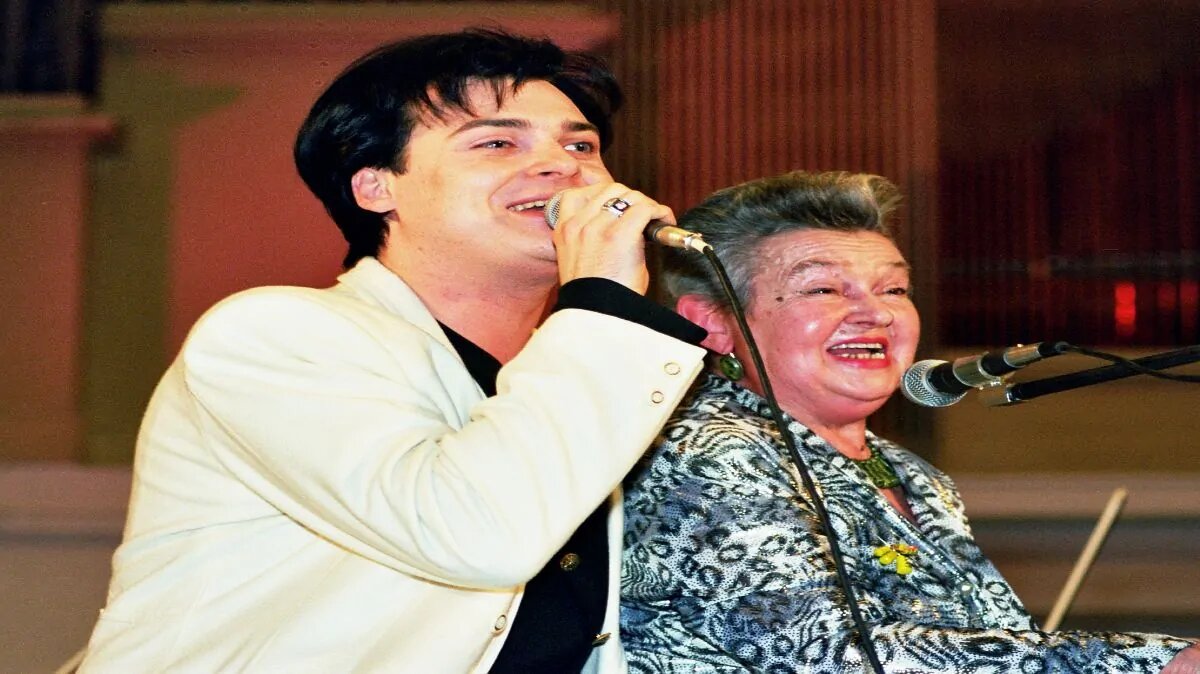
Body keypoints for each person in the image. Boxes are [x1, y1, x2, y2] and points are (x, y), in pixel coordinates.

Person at [79, 29, 707, 673]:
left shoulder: (577, 365)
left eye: (581, 145)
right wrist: (604, 300)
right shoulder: (274, 335)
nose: (564, 167)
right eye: (497, 142)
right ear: (375, 187)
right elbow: (479, 534)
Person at [619, 170, 1200, 672]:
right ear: (713, 323)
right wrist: (1154, 661)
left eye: (894, 288)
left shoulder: (910, 471)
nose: (874, 312)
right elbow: (833, 657)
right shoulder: (703, 456)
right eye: (822, 288)